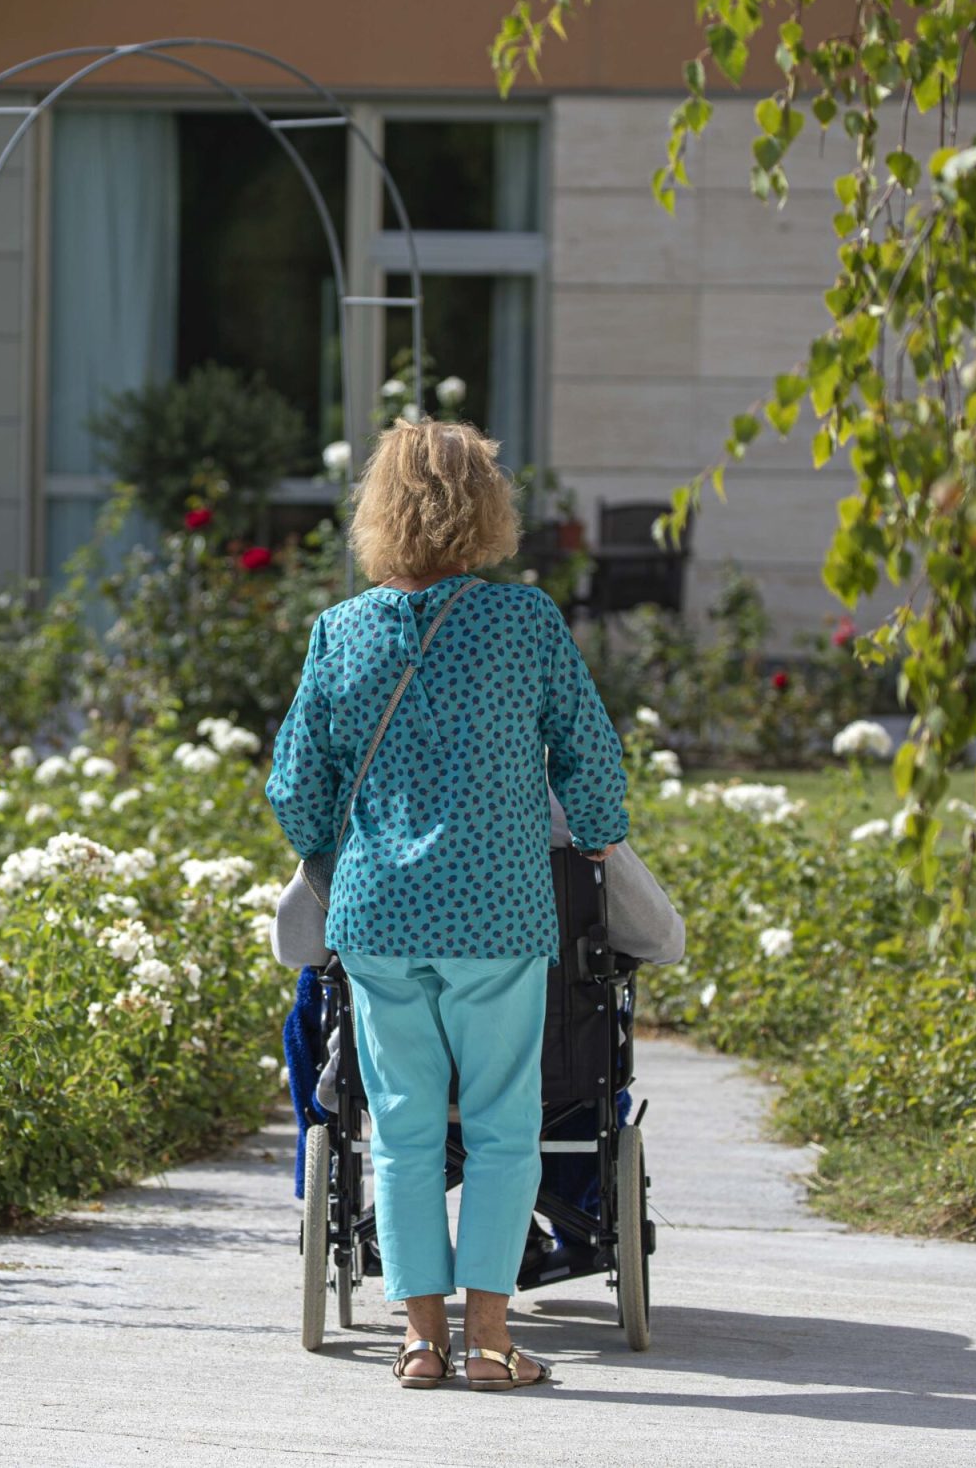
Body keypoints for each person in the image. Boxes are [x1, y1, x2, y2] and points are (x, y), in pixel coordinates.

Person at [266, 418, 629, 1391]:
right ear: (485, 508)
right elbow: (589, 755)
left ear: (378, 511)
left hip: (382, 919)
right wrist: (593, 828)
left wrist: (329, 853)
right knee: (507, 1126)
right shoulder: (525, 624)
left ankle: (419, 1342)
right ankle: (492, 1341)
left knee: (402, 1127)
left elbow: (295, 784)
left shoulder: (340, 632)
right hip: (496, 917)